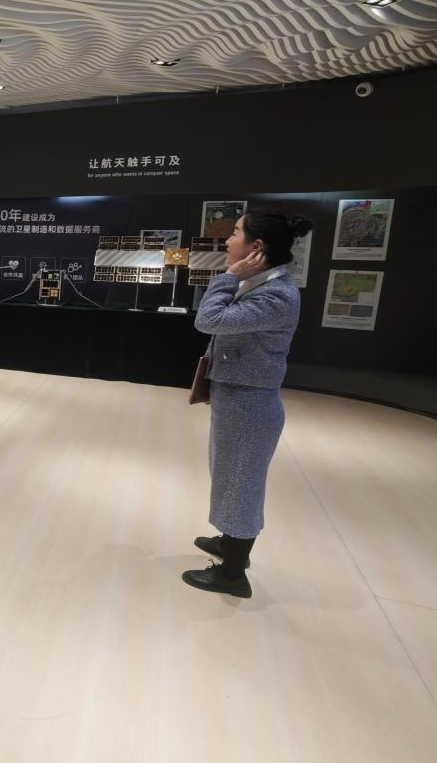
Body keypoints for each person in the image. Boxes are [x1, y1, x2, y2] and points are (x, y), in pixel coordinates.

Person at [183, 210, 313, 598]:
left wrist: (228, 276)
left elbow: (209, 320)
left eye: (235, 232)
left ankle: (233, 574)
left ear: (255, 247)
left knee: (242, 484)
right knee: (229, 475)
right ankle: (230, 541)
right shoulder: (262, 285)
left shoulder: (277, 294)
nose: (227, 240)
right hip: (238, 398)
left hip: (250, 405)